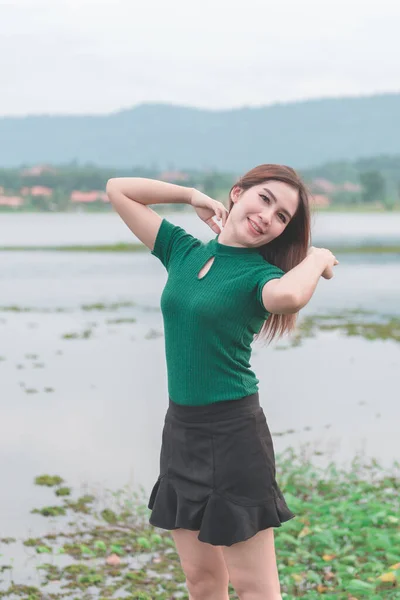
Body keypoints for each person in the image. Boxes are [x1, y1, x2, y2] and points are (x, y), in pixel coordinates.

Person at [106, 164, 338, 600]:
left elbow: (288, 297)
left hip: (235, 437)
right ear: (237, 193)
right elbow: (119, 189)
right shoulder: (181, 249)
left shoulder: (260, 277)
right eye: (264, 199)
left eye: (282, 216)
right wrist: (191, 194)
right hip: (181, 432)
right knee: (202, 582)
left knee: (256, 589)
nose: (268, 215)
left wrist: (318, 257)